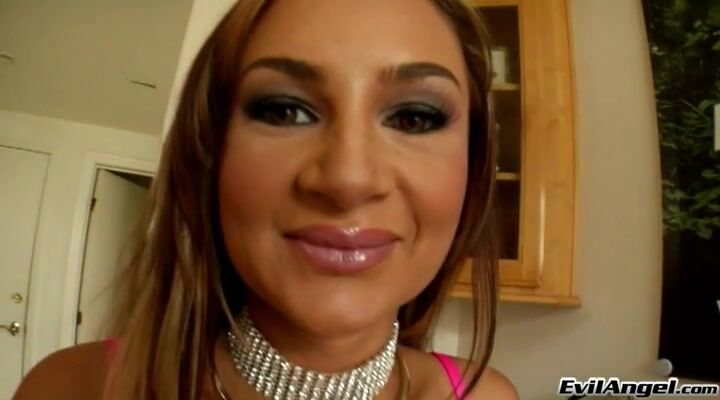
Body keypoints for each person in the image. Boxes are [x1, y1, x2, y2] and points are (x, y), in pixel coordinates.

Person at [14, 0, 518, 399]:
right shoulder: (69, 387)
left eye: (414, 118)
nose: (348, 179)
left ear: (472, 169)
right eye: (284, 111)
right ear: (209, 157)